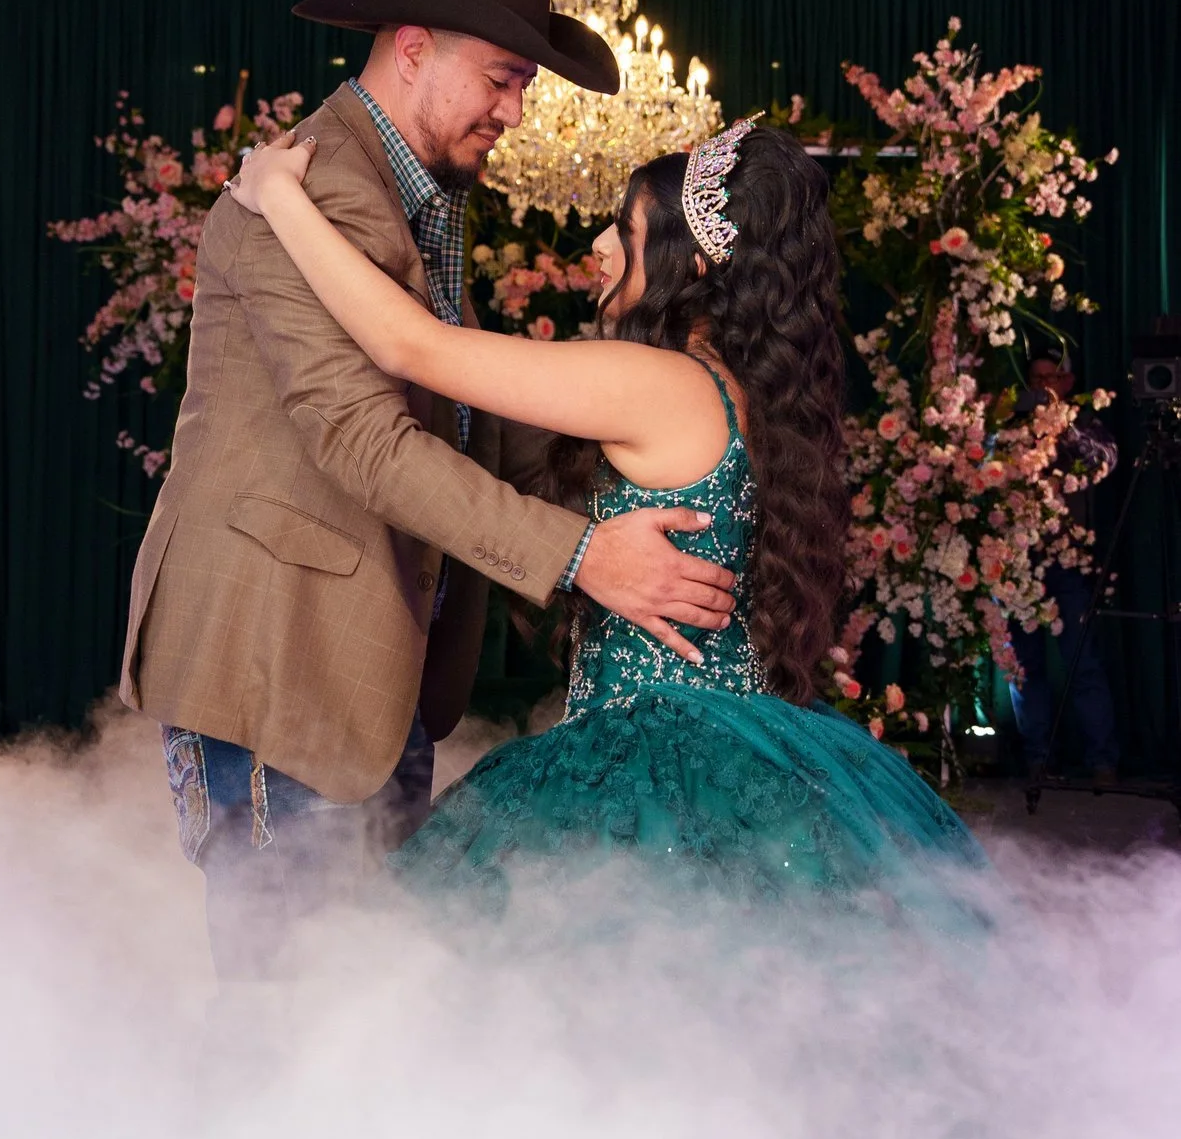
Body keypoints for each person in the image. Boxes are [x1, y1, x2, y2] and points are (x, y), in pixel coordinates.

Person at [118, 0, 736, 983]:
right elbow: (363, 436)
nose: (516, 111)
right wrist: (583, 555)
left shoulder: (420, 189)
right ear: (413, 48)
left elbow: (452, 402)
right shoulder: (307, 194)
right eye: (502, 78)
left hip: (373, 661)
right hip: (284, 654)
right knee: (288, 993)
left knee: (360, 997)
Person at [228, 116, 988, 927]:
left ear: (692, 263)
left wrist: (276, 193)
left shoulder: (656, 383)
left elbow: (407, 346)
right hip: (753, 746)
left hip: (650, 763)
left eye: (622, 229)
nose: (596, 245)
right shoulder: (748, 395)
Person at [1008, 352, 1120, 788]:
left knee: (1082, 662)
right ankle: (1036, 759)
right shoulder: (1011, 428)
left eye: (1050, 378)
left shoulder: (1084, 424)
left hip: (1067, 564)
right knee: (1024, 667)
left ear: (1068, 380)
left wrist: (1061, 426)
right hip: (1017, 563)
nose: (1042, 387)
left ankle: (1102, 762)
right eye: (1035, 379)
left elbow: (1103, 461)